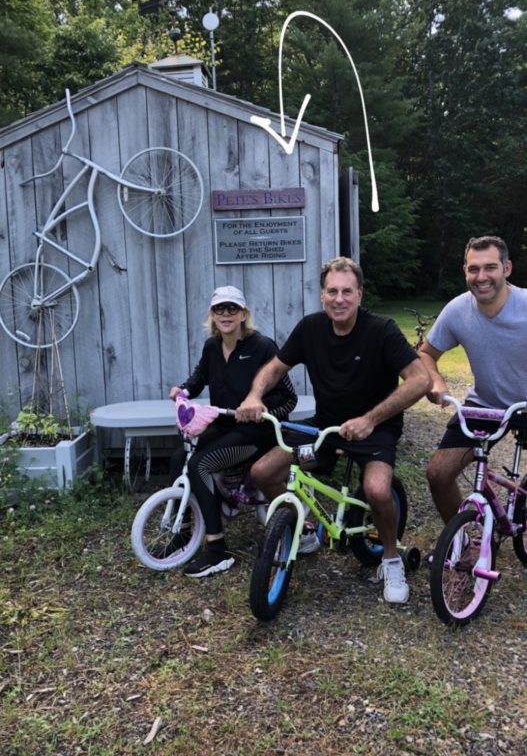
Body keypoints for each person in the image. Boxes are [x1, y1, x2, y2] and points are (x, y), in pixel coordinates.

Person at [236, 257, 431, 604]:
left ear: (359, 294)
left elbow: (420, 380)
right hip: (326, 427)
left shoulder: (381, 330)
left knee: (376, 489)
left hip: (376, 428)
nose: (339, 299)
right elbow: (276, 368)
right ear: (322, 296)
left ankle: (390, 558)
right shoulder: (310, 328)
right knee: (263, 472)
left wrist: (370, 419)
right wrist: (254, 395)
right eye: (331, 292)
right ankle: (306, 529)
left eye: (346, 291)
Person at [169, 285, 297, 578]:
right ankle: (183, 533)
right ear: (212, 315)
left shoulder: (263, 347)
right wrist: (184, 390)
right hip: (225, 424)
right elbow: (200, 376)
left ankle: (217, 550)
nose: (225, 314)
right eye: (219, 309)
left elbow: (289, 399)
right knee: (179, 459)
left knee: (200, 463)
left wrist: (261, 411)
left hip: (258, 432)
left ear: (243, 314)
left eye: (232, 309)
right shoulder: (212, 346)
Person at [419, 235, 527, 524]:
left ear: (507, 268)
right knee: (438, 474)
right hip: (487, 406)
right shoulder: (457, 310)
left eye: (490, 267)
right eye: (473, 269)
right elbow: (426, 354)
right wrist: (436, 383)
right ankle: (464, 542)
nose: (481, 277)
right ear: (465, 271)